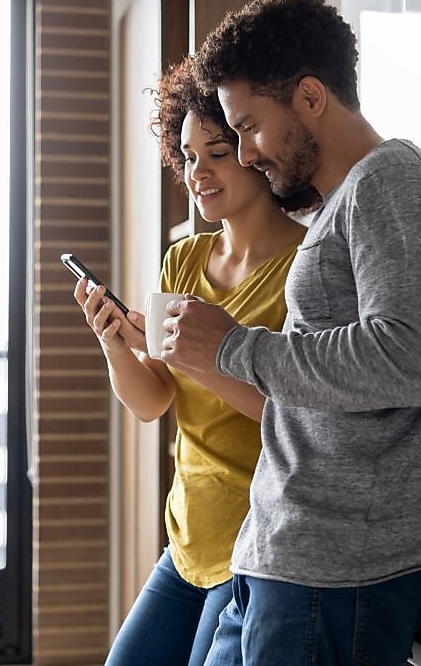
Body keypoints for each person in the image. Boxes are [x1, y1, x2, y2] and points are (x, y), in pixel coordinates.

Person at [160, 0, 421, 666]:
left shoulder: (393, 183)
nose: (245, 153)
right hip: (287, 554)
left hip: (335, 571)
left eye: (249, 126)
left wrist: (232, 346)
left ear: (310, 97)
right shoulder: (345, 201)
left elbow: (413, 358)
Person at [72, 56, 306, 666]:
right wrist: (115, 344)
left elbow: (295, 412)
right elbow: (153, 400)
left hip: (253, 547)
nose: (197, 172)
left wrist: (200, 358)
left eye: (216, 153)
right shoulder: (182, 260)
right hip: (186, 540)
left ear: (254, 150)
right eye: (187, 156)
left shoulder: (304, 268)